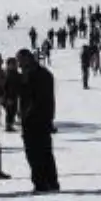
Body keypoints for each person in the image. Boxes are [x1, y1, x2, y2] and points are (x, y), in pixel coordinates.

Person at [17, 49, 60, 192]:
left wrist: (27, 115)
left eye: (20, 61)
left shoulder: (36, 75)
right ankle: (50, 181)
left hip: (36, 119)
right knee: (44, 151)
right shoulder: (37, 74)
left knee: (36, 153)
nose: (19, 64)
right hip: (40, 118)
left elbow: (36, 99)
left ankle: (42, 182)